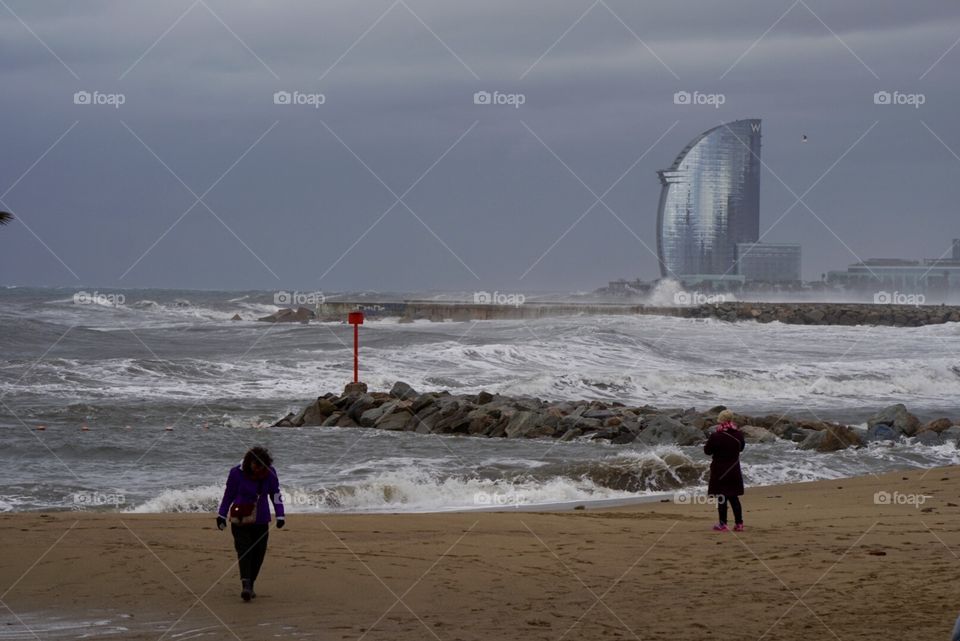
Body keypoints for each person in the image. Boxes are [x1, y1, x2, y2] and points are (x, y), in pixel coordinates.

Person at [216, 446, 285, 601]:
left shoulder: (270, 473)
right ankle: (246, 585)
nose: (258, 469)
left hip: (261, 519)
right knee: (244, 551)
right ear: (249, 461)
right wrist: (221, 514)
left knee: (258, 553)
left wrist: (280, 515)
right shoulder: (236, 473)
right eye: (256, 465)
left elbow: (276, 494)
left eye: (261, 466)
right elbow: (229, 495)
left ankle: (251, 584)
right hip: (240, 519)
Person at [704, 409, 745, 532]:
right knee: (734, 498)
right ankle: (739, 524)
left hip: (720, 470)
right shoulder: (739, 435)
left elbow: (707, 451)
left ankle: (723, 524)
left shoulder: (716, 436)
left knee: (722, 498)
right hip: (734, 470)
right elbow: (741, 448)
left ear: (720, 420)